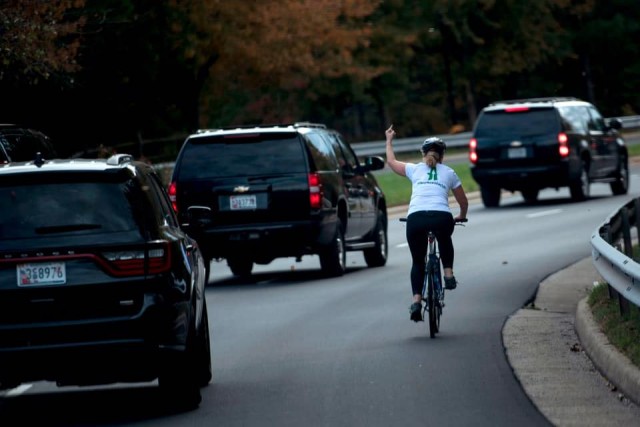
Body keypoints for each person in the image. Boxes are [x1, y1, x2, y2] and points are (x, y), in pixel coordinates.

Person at [385, 124, 469, 322]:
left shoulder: (414, 169)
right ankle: (448, 273)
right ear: (443, 155)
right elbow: (463, 201)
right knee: (445, 237)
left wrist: (389, 140)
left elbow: (391, 161)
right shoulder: (449, 172)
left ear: (423, 154)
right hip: (441, 217)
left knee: (417, 261)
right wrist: (461, 215)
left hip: (416, 218)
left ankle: (416, 300)